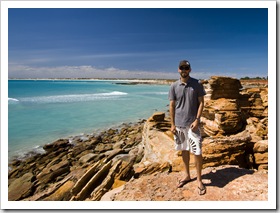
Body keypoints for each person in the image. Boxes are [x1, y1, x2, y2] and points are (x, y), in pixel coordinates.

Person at [168, 60, 206, 195]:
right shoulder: (173, 86)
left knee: (197, 152)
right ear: (178, 70)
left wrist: (197, 119)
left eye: (186, 68)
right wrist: (172, 124)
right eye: (182, 68)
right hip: (179, 125)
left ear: (190, 69)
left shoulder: (197, 84)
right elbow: (172, 106)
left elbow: (201, 103)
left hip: (193, 125)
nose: (184, 70)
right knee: (184, 151)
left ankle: (200, 180)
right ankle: (187, 175)